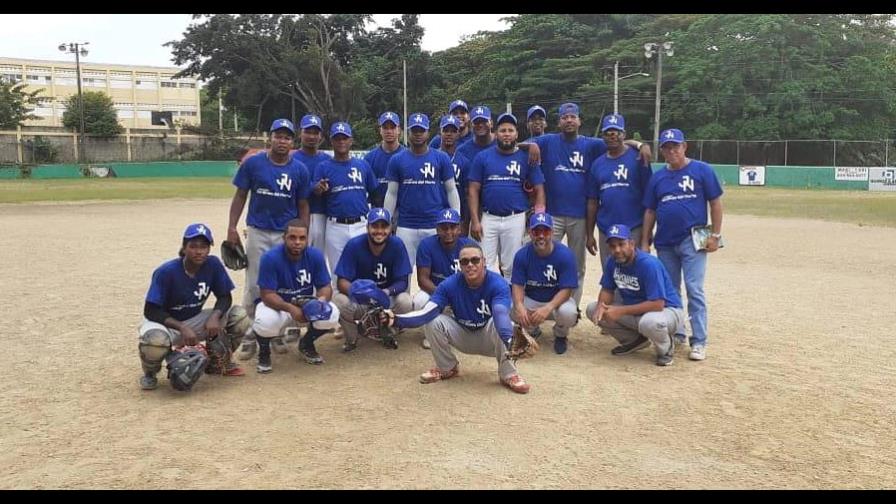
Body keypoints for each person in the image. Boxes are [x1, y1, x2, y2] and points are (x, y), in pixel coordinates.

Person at [524, 103, 651, 307]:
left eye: (573, 117)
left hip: (579, 216)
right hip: (552, 215)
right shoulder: (547, 141)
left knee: (576, 266)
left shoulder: (591, 144)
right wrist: (531, 145)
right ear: (559, 122)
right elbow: (514, 142)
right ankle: (543, 304)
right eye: (564, 117)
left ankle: (571, 309)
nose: (569, 120)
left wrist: (640, 144)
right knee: (544, 259)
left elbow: (617, 141)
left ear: (579, 121)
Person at [383, 242, 531, 394]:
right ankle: (447, 368)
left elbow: (500, 313)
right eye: (465, 261)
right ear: (459, 265)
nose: (470, 265)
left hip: (490, 338)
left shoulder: (498, 283)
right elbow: (427, 312)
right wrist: (395, 319)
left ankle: (509, 374)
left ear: (484, 262)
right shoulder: (449, 284)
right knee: (433, 320)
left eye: (475, 260)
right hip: (463, 334)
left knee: (505, 323)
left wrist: (509, 340)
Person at [229, 118, 311, 361]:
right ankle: (251, 333)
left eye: (287, 137)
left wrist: (303, 234)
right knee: (254, 283)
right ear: (270, 138)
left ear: (292, 141)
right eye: (278, 136)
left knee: (284, 283)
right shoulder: (253, 164)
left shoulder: (299, 170)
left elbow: (303, 205)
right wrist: (232, 227)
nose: (282, 140)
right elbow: (240, 196)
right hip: (258, 230)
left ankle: (276, 332)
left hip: (285, 235)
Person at [641, 128, 724, 361]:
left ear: (684, 146)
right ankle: (677, 332)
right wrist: (645, 241)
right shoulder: (657, 177)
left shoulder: (702, 170)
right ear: (662, 150)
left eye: (675, 146)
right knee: (671, 291)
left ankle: (699, 341)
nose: (671, 150)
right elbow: (650, 211)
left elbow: (715, 203)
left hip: (693, 240)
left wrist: (715, 236)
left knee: (694, 289)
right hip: (665, 242)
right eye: (666, 147)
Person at [138, 223, 250, 390]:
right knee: (155, 342)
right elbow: (151, 310)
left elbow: (225, 297)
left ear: (209, 248)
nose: (199, 251)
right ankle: (150, 372)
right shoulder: (166, 272)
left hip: (193, 320)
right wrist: (181, 327)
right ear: (184, 248)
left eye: (204, 246)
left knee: (239, 316)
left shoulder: (213, 265)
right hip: (165, 324)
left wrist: (215, 316)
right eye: (193, 246)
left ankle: (217, 363)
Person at [585, 224, 684, 366]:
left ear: (632, 244)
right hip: (637, 311)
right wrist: (601, 306)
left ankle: (665, 349)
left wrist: (620, 311)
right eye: (613, 246)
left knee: (649, 322)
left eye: (621, 244)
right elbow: (607, 290)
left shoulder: (648, 264)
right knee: (593, 309)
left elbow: (657, 304)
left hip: (667, 311)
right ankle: (634, 341)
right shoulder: (612, 262)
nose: (617, 250)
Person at [252, 218, 340, 373]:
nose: (297, 242)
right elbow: (266, 294)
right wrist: (290, 308)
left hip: (305, 304)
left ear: (307, 239)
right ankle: (264, 352)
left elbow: (325, 287)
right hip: (279, 307)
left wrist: (320, 302)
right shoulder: (270, 258)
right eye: (292, 237)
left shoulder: (315, 255)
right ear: (284, 238)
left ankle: (306, 344)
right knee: (265, 322)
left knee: (332, 314)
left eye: (302, 238)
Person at [467, 112, 545, 281]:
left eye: (510, 130)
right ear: (496, 133)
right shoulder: (483, 157)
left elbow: (539, 188)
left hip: (515, 218)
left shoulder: (526, 157)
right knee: (484, 264)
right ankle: (488, 303)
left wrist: (538, 216)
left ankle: (509, 304)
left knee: (511, 265)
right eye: (503, 130)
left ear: (517, 134)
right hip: (489, 217)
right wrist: (475, 220)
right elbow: (473, 190)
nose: (507, 134)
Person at [384, 112, 460, 265]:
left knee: (436, 270)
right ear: (408, 132)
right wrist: (387, 220)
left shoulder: (441, 158)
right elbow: (392, 193)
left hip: (434, 224)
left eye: (421, 130)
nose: (418, 134)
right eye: (414, 130)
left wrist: (455, 217)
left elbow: (451, 189)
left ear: (428, 132)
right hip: (406, 225)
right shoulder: (397, 160)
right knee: (403, 272)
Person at [332, 208, 413, 352]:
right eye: (375, 226)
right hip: (362, 300)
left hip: (386, 300)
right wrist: (359, 293)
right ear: (367, 227)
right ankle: (352, 337)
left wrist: (385, 292)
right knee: (339, 300)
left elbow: (403, 281)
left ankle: (387, 332)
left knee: (406, 301)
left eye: (384, 226)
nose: (379, 231)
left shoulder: (397, 244)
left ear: (390, 228)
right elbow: (341, 281)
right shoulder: (354, 244)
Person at [585, 113, 654, 269]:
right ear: (603, 136)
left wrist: (647, 232)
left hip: (634, 227)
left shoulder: (638, 158)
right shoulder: (597, 164)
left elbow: (650, 197)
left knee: (636, 274)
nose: (612, 136)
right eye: (608, 133)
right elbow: (592, 201)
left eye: (616, 133)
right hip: (606, 230)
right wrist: (589, 234)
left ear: (624, 134)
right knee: (611, 274)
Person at [312, 121, 379, 275]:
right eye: (337, 138)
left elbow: (375, 193)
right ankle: (339, 300)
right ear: (331, 141)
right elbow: (315, 192)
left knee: (363, 272)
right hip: (336, 226)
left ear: (351, 140)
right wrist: (318, 189)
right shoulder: (323, 167)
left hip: (361, 224)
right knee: (338, 273)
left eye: (344, 138)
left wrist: (375, 221)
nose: (341, 142)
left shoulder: (362, 165)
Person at [510, 212, 579, 355]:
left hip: (555, 301)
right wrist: (520, 306)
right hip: (532, 299)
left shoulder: (565, 254)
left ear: (552, 232)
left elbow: (567, 290)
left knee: (569, 313)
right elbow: (517, 285)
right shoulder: (522, 255)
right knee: (510, 307)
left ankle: (560, 335)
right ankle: (531, 330)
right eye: (536, 231)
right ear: (530, 232)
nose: (541, 236)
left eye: (545, 231)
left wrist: (548, 307)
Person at [413, 208, 476, 348]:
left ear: (459, 228)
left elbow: (479, 278)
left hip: (464, 293)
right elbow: (423, 280)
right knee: (419, 300)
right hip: (436, 291)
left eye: (453, 227)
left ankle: (463, 331)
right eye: (444, 228)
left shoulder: (470, 246)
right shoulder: (426, 245)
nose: (448, 232)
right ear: (437, 229)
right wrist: (445, 296)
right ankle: (431, 335)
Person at [293, 114, 331, 257]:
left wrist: (325, 188)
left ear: (320, 135)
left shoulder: (327, 160)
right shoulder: (292, 159)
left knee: (319, 259)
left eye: (315, 133)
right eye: (308, 131)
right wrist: (311, 188)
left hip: (322, 215)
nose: (312, 136)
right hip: (297, 215)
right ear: (300, 133)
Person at [437, 115, 472, 235]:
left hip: (455, 215)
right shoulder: (431, 157)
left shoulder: (464, 161)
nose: (449, 134)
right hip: (433, 213)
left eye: (453, 131)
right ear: (440, 132)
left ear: (458, 134)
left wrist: (465, 222)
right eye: (446, 130)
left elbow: (467, 194)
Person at [364, 112, 406, 209]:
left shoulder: (407, 156)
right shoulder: (369, 158)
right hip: (377, 210)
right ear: (380, 130)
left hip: (402, 211)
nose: (389, 131)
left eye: (392, 127)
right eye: (385, 128)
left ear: (399, 130)